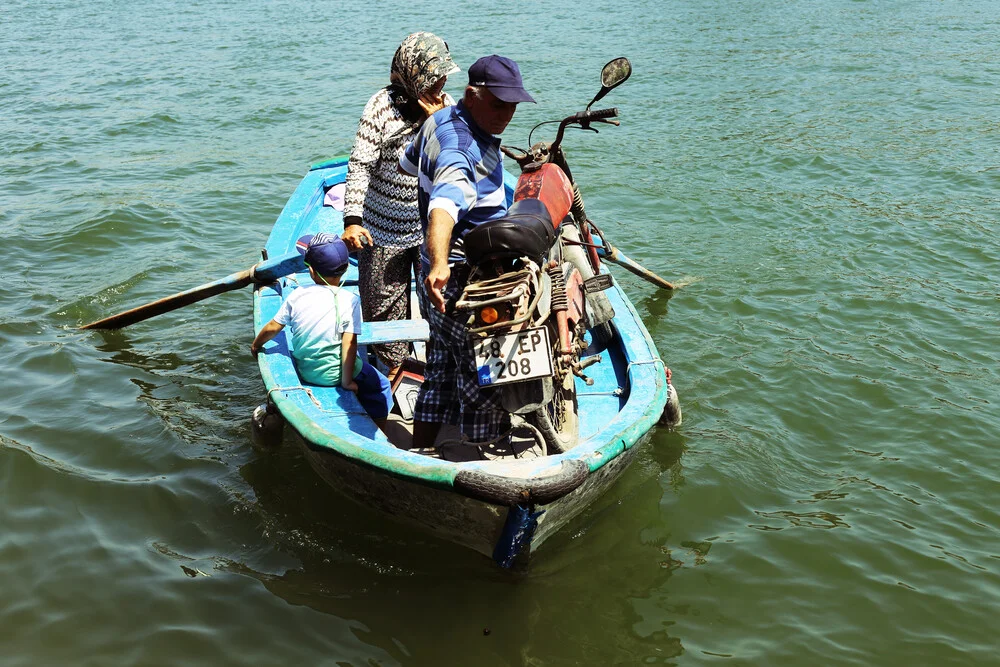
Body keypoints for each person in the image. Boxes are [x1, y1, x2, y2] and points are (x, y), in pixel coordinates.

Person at [398, 54, 535, 448]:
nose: (506, 115)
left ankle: (421, 441)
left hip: (432, 278)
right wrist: (441, 263)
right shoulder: (463, 152)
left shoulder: (436, 121)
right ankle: (481, 453)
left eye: (512, 106)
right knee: (484, 368)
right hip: (462, 279)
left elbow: (410, 165)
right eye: (497, 104)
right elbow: (444, 205)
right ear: (472, 95)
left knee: (441, 359)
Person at [341, 32, 460, 380]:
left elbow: (455, 158)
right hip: (382, 230)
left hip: (429, 228)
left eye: (443, 78)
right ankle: (397, 372)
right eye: (434, 77)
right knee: (382, 309)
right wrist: (352, 219)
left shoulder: (446, 106)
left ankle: (440, 372)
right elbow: (360, 164)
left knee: (437, 303)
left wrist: (438, 121)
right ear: (413, 73)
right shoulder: (380, 106)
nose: (439, 84)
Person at [250, 233, 393, 425]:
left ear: (311, 271)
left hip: (307, 371)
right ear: (345, 269)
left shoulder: (297, 295)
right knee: (382, 387)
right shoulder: (350, 300)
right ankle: (380, 426)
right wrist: (347, 382)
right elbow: (349, 344)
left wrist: (255, 345)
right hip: (335, 376)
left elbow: (273, 327)